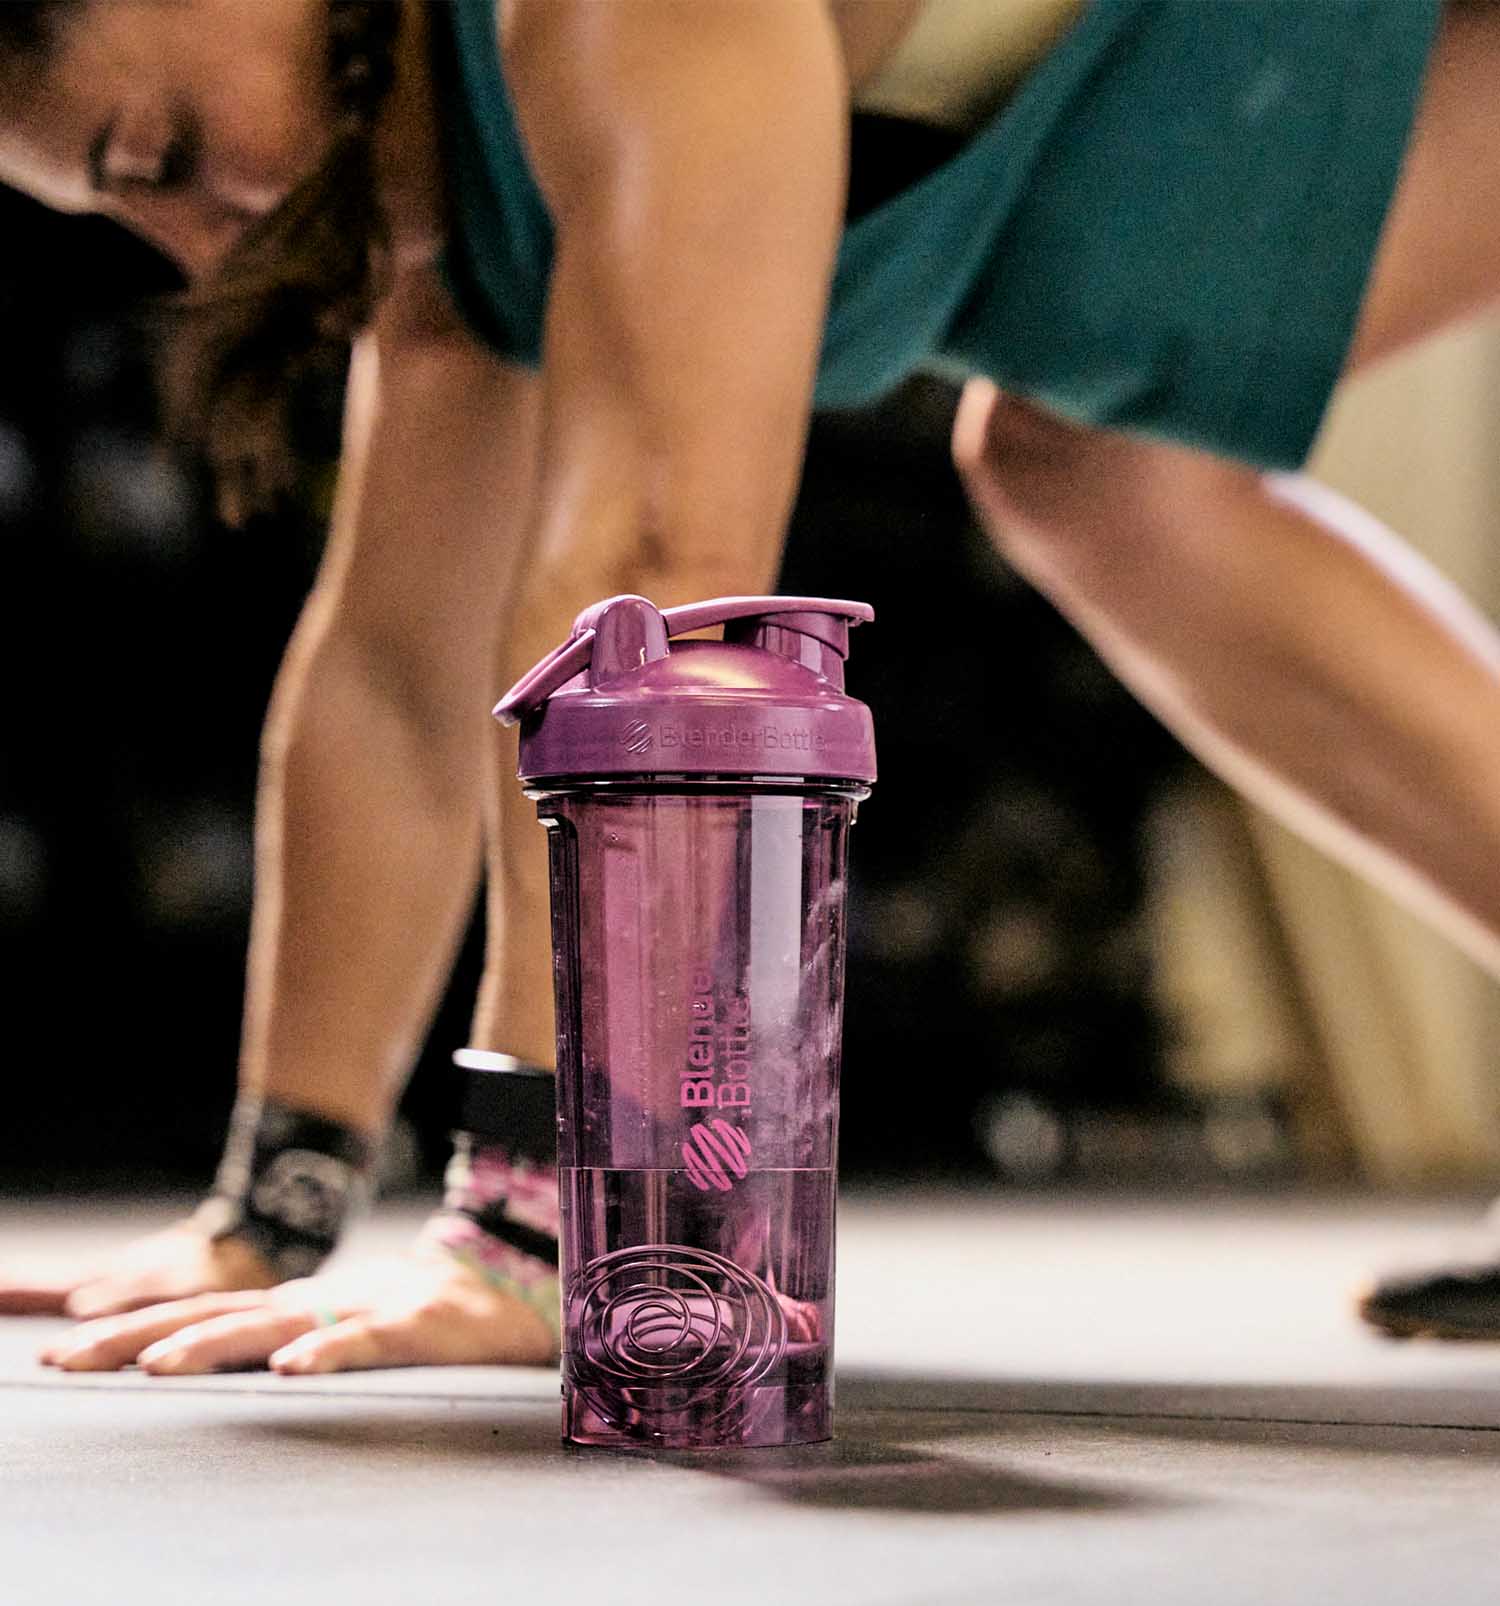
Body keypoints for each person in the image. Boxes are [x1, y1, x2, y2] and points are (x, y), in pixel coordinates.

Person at [4, 0, 1500, 1373]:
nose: (202, 251)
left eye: (166, 155)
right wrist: (272, 1205)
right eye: (124, 210)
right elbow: (397, 676)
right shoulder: (454, 203)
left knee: (1099, 478)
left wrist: (538, 1224)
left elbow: (656, 577)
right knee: (1112, 484)